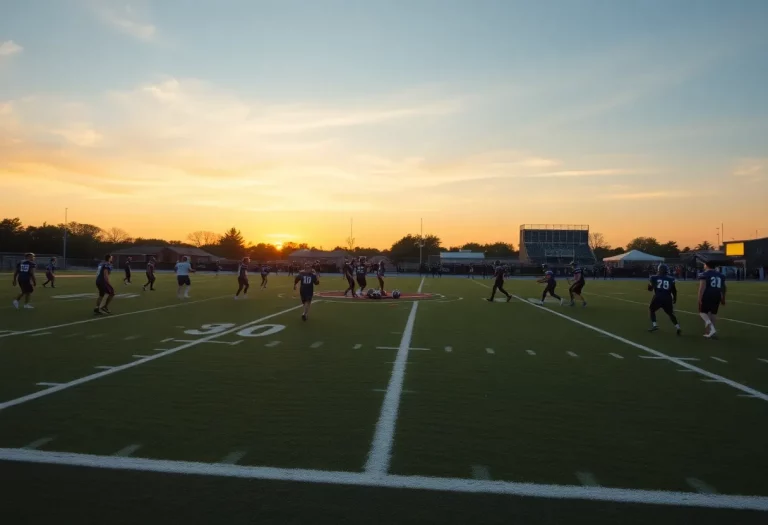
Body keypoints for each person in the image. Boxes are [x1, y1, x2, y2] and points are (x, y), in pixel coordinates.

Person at [647, 264, 681, 335]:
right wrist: (675, 298)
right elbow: (674, 290)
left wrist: (650, 284)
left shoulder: (654, 277)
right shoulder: (671, 278)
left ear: (659, 270)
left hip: (658, 297)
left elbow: (650, 289)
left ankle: (655, 325)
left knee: (651, 309)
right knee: (670, 313)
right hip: (668, 298)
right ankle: (678, 327)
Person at [698, 261, 726, 339]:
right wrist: (723, 297)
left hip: (708, 295)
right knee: (713, 314)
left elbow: (702, 288)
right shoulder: (720, 275)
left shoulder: (704, 274)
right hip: (717, 295)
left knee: (702, 313)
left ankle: (711, 329)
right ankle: (710, 332)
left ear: (707, 265)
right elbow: (723, 288)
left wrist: (699, 298)